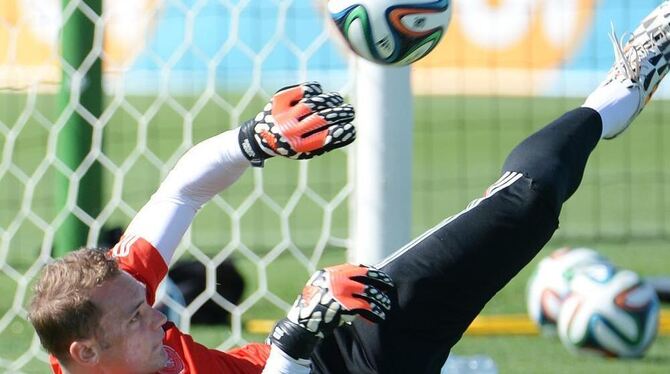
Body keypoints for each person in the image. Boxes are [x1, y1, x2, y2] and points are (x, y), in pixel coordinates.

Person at [28, 2, 670, 373]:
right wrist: (292, 337)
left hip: (344, 356)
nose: (158, 314)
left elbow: (180, 193)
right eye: (137, 319)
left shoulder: (110, 304)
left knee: (522, 205)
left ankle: (618, 93)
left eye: (143, 303)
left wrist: (253, 139)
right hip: (303, 361)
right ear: (84, 353)